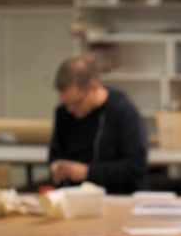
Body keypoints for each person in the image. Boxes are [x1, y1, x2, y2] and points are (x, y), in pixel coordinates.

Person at [48, 56, 148, 194]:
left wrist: (88, 172)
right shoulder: (63, 113)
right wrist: (56, 166)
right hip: (73, 197)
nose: (70, 109)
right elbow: (55, 154)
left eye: (76, 103)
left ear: (94, 87)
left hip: (116, 196)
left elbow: (135, 167)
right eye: (65, 103)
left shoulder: (123, 112)